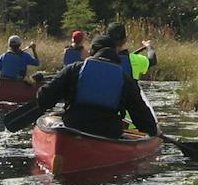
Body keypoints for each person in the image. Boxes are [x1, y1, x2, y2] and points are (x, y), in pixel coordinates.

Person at [30, 30, 159, 139]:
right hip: (107, 133)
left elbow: (43, 99)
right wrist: (153, 132)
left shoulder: (74, 69)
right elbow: (141, 116)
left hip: (73, 126)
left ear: (92, 52)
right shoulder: (124, 79)